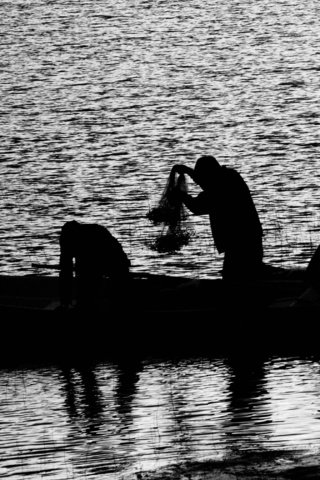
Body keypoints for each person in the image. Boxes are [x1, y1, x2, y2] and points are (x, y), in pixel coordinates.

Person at [171, 155, 265, 281]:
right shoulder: (229, 176)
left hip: (239, 243)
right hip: (250, 238)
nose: (197, 182)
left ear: (208, 174)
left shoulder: (217, 188)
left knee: (234, 279)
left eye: (200, 176)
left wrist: (182, 196)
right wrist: (188, 171)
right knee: (249, 276)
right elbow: (206, 181)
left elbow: (197, 207)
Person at [59, 220, 131, 309]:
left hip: (116, 262)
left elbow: (83, 273)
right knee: (84, 280)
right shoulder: (67, 239)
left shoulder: (89, 238)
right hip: (101, 263)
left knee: (89, 284)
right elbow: (66, 269)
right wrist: (65, 299)